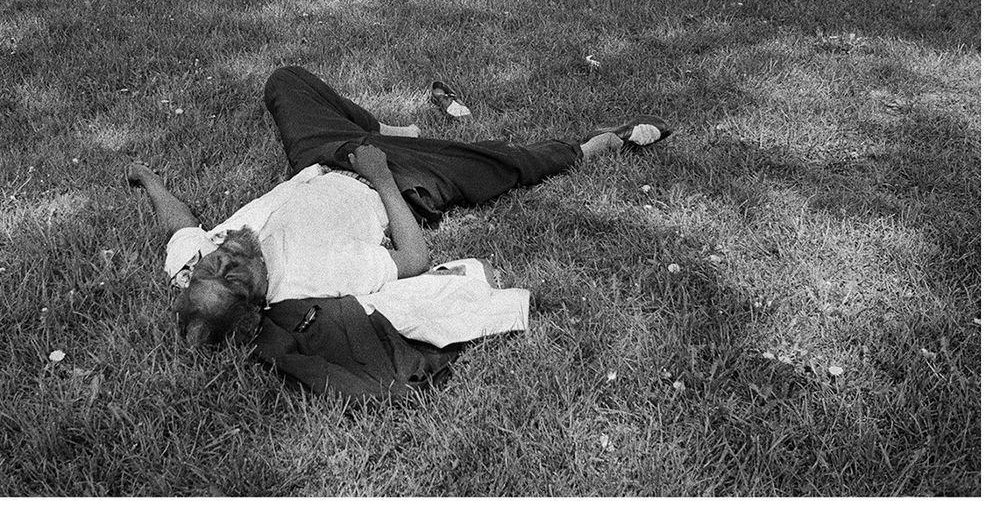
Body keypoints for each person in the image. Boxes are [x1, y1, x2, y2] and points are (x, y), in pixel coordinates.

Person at [127, 65, 671, 347]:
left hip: (320, 159)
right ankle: (596, 144)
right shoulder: (317, 276)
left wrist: (149, 180)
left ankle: (385, 126)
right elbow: (411, 260)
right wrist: (384, 179)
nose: (220, 250)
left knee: (285, 82)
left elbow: (181, 229)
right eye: (229, 267)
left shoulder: (199, 271)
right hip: (391, 179)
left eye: (209, 261)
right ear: (256, 298)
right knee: (497, 163)